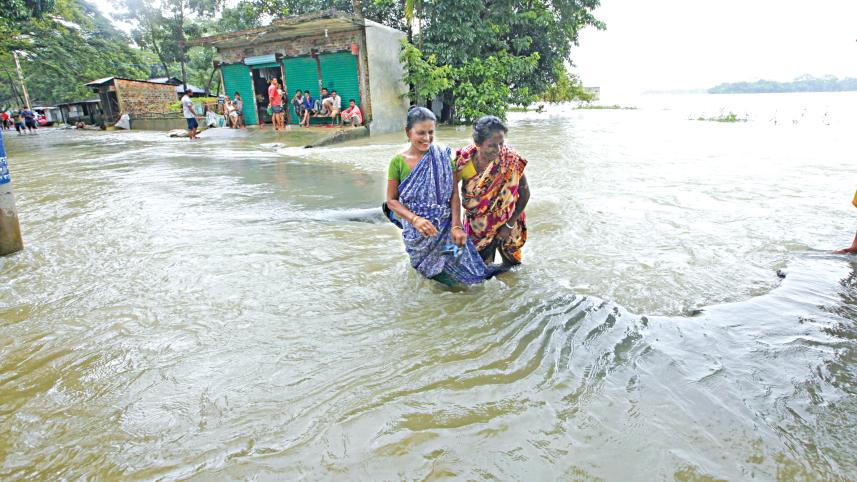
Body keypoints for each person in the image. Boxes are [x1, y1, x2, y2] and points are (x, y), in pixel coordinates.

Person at [383, 107, 506, 286]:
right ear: (408, 132)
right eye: (421, 133)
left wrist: (457, 226)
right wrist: (415, 220)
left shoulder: (443, 157)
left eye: (431, 132)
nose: (426, 138)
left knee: (462, 269)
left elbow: (453, 195)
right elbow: (391, 200)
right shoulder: (398, 162)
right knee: (429, 275)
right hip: (417, 233)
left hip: (446, 226)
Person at [455, 115, 530, 266]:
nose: (498, 149)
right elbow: (451, 196)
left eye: (501, 143)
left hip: (509, 221)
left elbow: (525, 193)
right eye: (491, 145)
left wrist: (509, 225)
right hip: (479, 227)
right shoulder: (463, 163)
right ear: (478, 143)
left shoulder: (510, 158)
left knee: (512, 267)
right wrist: (455, 226)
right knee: (481, 271)